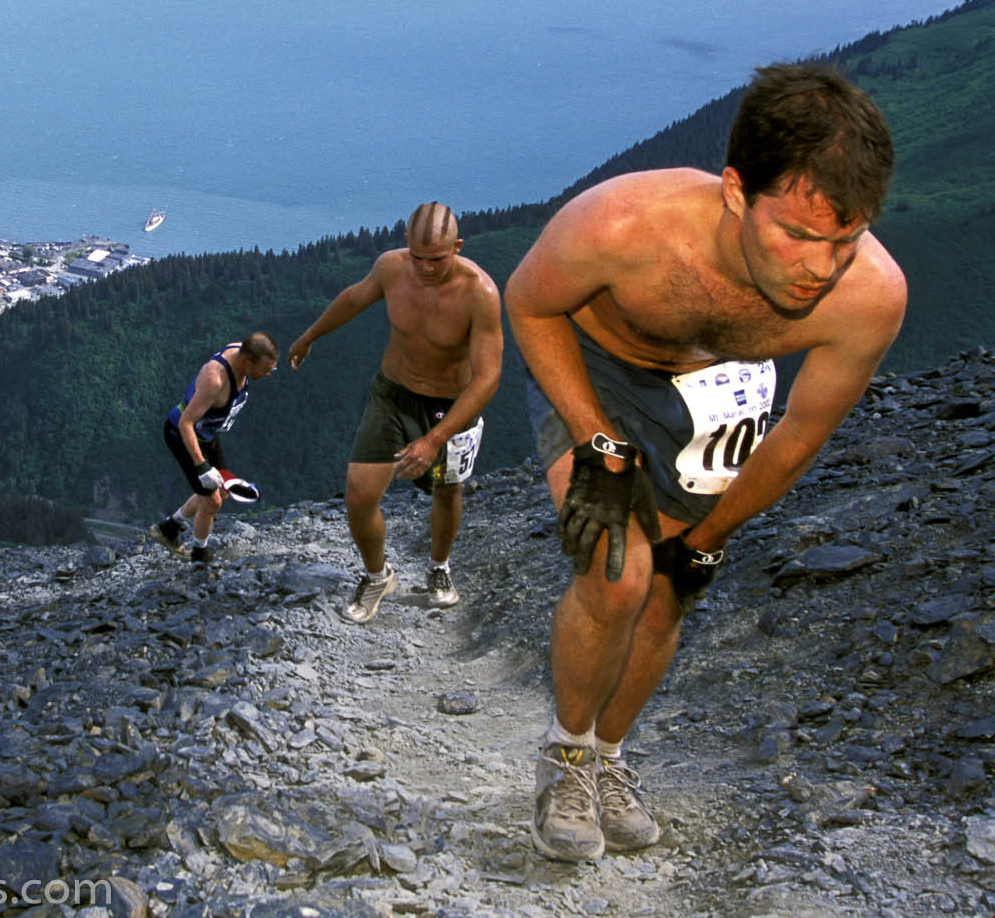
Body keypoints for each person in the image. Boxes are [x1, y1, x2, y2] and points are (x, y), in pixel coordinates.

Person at [505, 62, 907, 862]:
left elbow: (796, 435)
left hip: (720, 395)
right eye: (794, 235)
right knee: (616, 577)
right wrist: (599, 443)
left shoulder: (870, 298)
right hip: (597, 371)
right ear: (734, 191)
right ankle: (566, 753)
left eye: (845, 239)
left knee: (667, 594)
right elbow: (527, 301)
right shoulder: (624, 226)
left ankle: (611, 760)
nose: (818, 268)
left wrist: (709, 538)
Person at [288, 202, 503, 621]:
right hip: (392, 394)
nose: (425, 268)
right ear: (407, 246)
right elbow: (355, 298)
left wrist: (434, 439)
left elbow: (487, 378)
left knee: (446, 490)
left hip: (449, 407)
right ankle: (377, 575)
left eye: (437, 259)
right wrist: (310, 335)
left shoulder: (480, 293)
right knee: (359, 494)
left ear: (457, 247)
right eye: (418, 258)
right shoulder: (391, 268)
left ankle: (438, 568)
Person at [148, 332, 278, 564]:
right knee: (212, 500)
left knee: (224, 490)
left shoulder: (243, 350)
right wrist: (202, 467)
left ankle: (169, 528)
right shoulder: (215, 380)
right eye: (265, 370)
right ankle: (200, 556)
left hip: (208, 434)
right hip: (182, 436)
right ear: (247, 361)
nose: (268, 375)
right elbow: (185, 423)